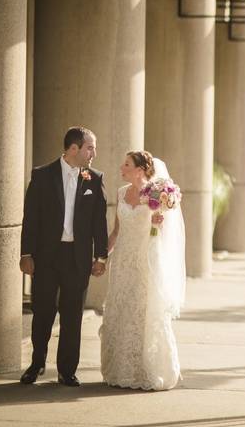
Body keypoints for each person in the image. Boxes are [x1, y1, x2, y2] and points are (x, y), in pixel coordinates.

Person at [19, 126, 108, 387]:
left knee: (72, 316)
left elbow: (98, 223)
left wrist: (100, 257)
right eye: (90, 147)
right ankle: (36, 364)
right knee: (43, 313)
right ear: (73, 149)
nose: (94, 152)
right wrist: (26, 253)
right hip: (47, 256)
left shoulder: (95, 177)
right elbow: (31, 218)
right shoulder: (42, 175)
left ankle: (67, 370)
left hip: (77, 258)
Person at [99, 150, 185, 391]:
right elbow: (116, 231)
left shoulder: (157, 192)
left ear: (139, 170)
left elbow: (162, 231)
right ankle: (119, 368)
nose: (121, 167)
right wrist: (102, 257)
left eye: (126, 164)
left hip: (145, 261)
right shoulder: (121, 192)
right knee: (120, 309)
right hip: (123, 261)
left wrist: (158, 224)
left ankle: (144, 370)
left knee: (141, 312)